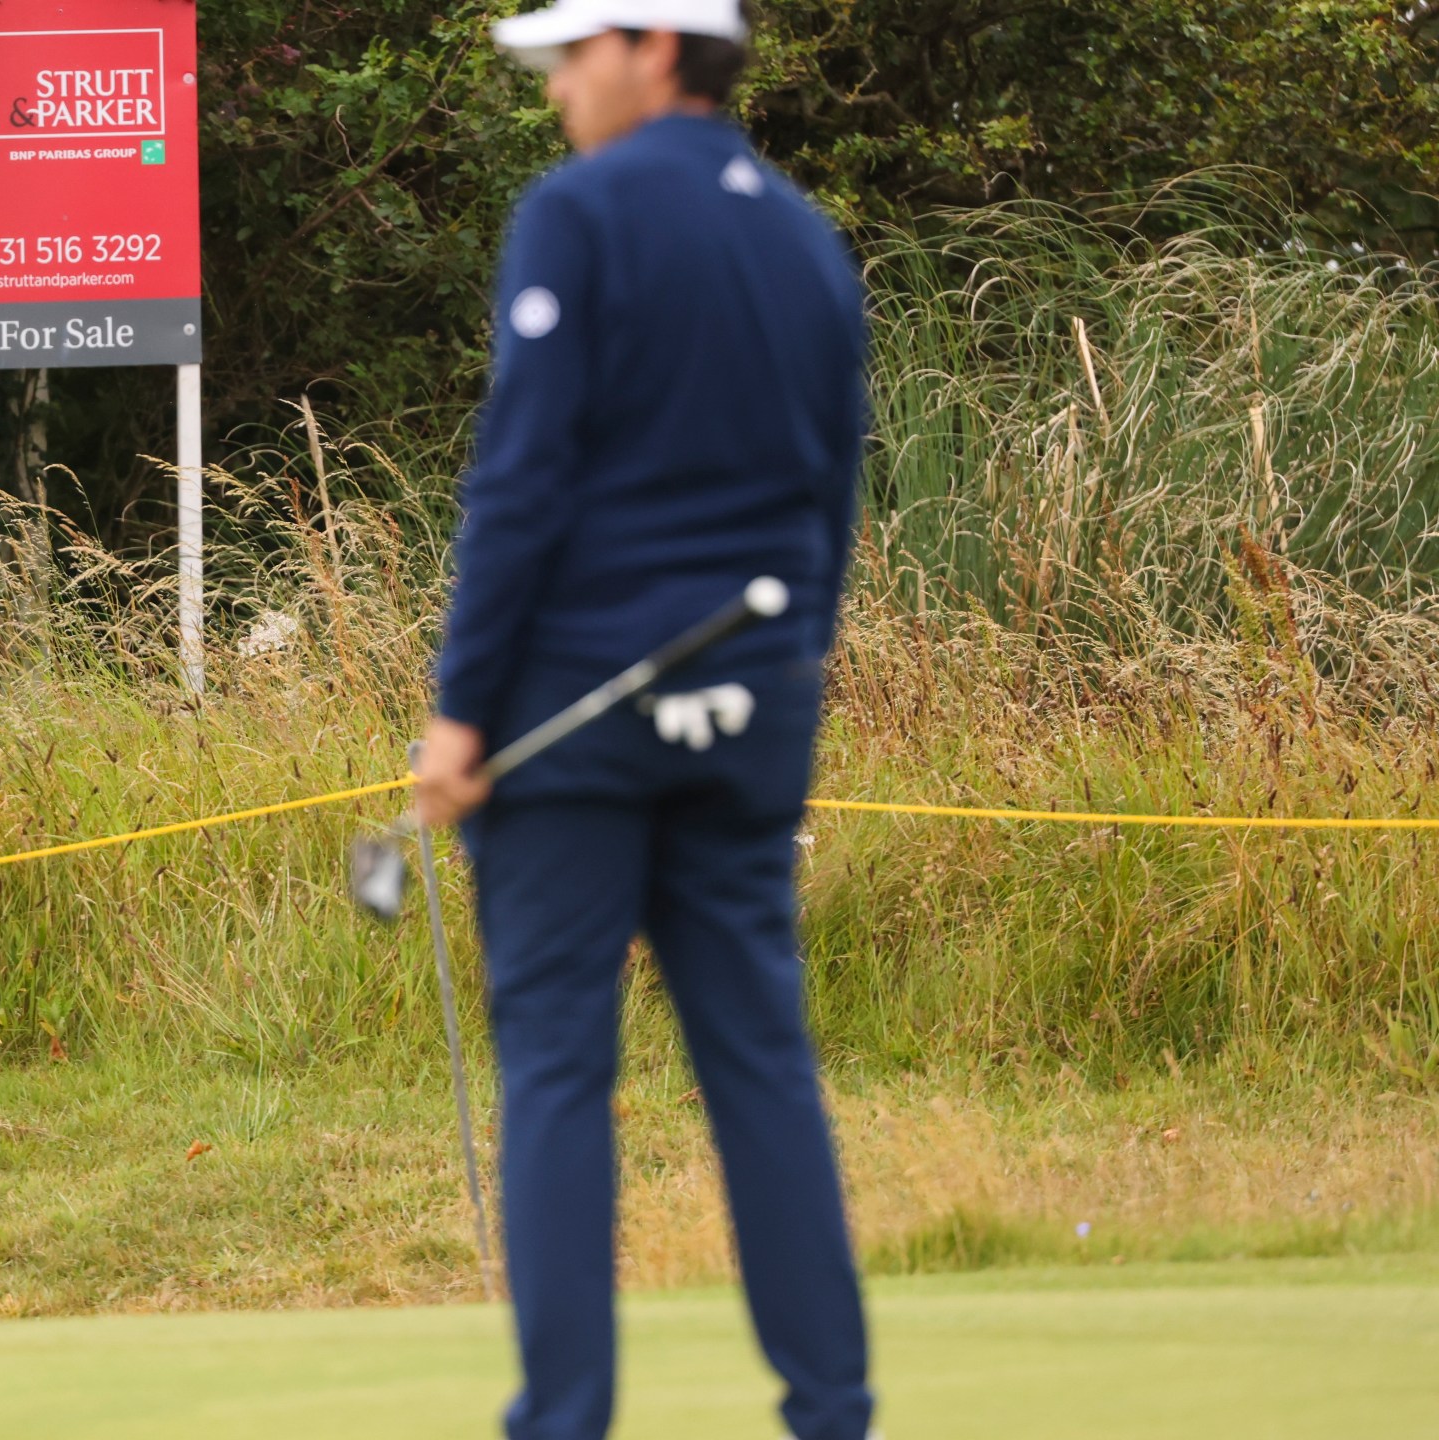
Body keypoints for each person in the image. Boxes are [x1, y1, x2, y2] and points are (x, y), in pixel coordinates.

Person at [410, 3, 874, 1439]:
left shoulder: (578, 216)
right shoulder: (804, 236)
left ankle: (564, 1422)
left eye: (574, 54)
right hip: (751, 708)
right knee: (760, 1058)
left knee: (557, 1062)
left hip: (575, 714)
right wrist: (795, 690)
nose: (557, 86)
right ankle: (833, 1411)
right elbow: (827, 500)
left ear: (655, 48)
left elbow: (524, 478)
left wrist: (458, 713)